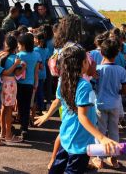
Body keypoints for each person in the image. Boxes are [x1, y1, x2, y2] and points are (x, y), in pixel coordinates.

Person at [49, 44, 119, 174]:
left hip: (67, 135)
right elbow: (83, 116)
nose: (90, 63)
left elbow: (57, 101)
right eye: (87, 60)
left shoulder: (63, 80)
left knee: (57, 168)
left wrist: (47, 115)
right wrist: (102, 138)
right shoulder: (84, 86)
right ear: (82, 63)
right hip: (80, 141)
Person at [92, 39, 126, 169]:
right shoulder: (121, 70)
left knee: (99, 132)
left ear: (101, 53)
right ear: (117, 53)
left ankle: (99, 159)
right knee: (114, 132)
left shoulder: (97, 70)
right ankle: (114, 159)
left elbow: (91, 86)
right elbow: (125, 90)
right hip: (115, 105)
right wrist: (116, 92)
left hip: (100, 104)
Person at [0, 34, 25, 143]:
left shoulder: (1, 56)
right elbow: (17, 72)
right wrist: (23, 67)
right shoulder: (15, 58)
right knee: (9, 109)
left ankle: (2, 132)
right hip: (10, 83)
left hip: (2, 82)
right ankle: (9, 135)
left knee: (3, 108)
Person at [17, 33, 39, 140]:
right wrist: (35, 84)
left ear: (24, 45)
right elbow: (36, 72)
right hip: (30, 84)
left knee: (21, 106)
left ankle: (22, 127)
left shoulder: (20, 55)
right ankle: (25, 127)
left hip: (20, 84)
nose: (18, 46)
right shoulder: (35, 55)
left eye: (19, 44)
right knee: (27, 106)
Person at [34, 32, 49, 112]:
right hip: (44, 72)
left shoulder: (35, 50)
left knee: (37, 91)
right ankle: (41, 106)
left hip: (37, 72)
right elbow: (46, 61)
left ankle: (38, 107)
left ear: (38, 40)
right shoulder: (46, 49)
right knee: (41, 90)